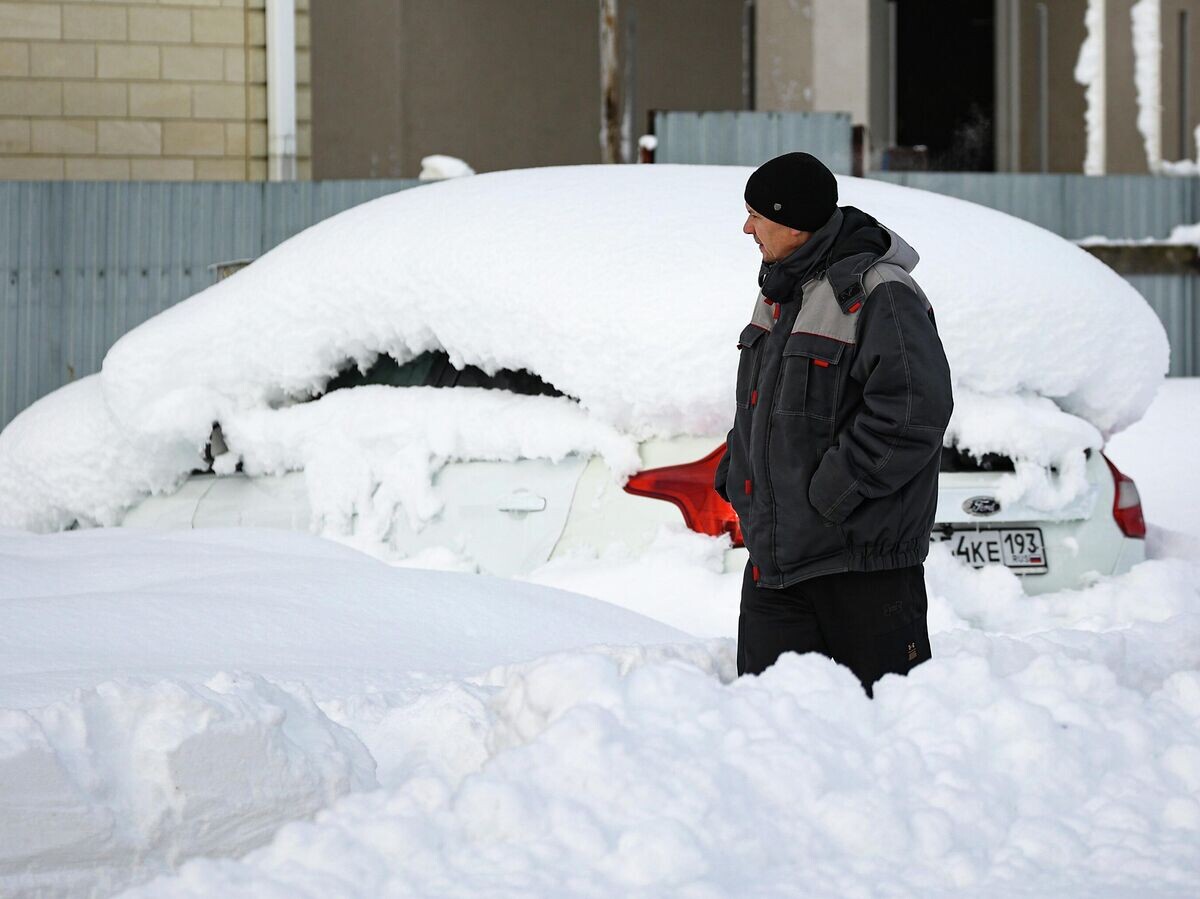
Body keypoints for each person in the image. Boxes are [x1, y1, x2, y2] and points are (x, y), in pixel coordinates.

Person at [714, 152, 954, 696]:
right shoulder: (780, 291)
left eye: (756, 214)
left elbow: (914, 412)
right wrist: (739, 471)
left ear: (794, 221)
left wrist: (833, 492)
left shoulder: (878, 291)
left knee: (879, 734)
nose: (747, 227)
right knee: (771, 731)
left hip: (860, 569)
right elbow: (761, 404)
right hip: (778, 564)